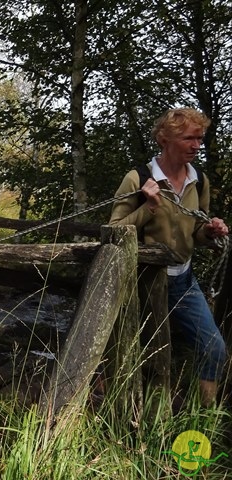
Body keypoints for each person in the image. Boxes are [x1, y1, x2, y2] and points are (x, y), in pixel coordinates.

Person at [109, 108, 228, 406]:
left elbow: (197, 231)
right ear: (165, 139)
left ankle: (205, 418)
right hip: (141, 283)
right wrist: (147, 207)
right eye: (189, 138)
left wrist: (210, 232)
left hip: (184, 281)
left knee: (213, 347)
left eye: (200, 138)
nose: (197, 145)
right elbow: (111, 232)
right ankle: (137, 420)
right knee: (143, 355)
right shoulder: (138, 178)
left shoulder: (198, 180)